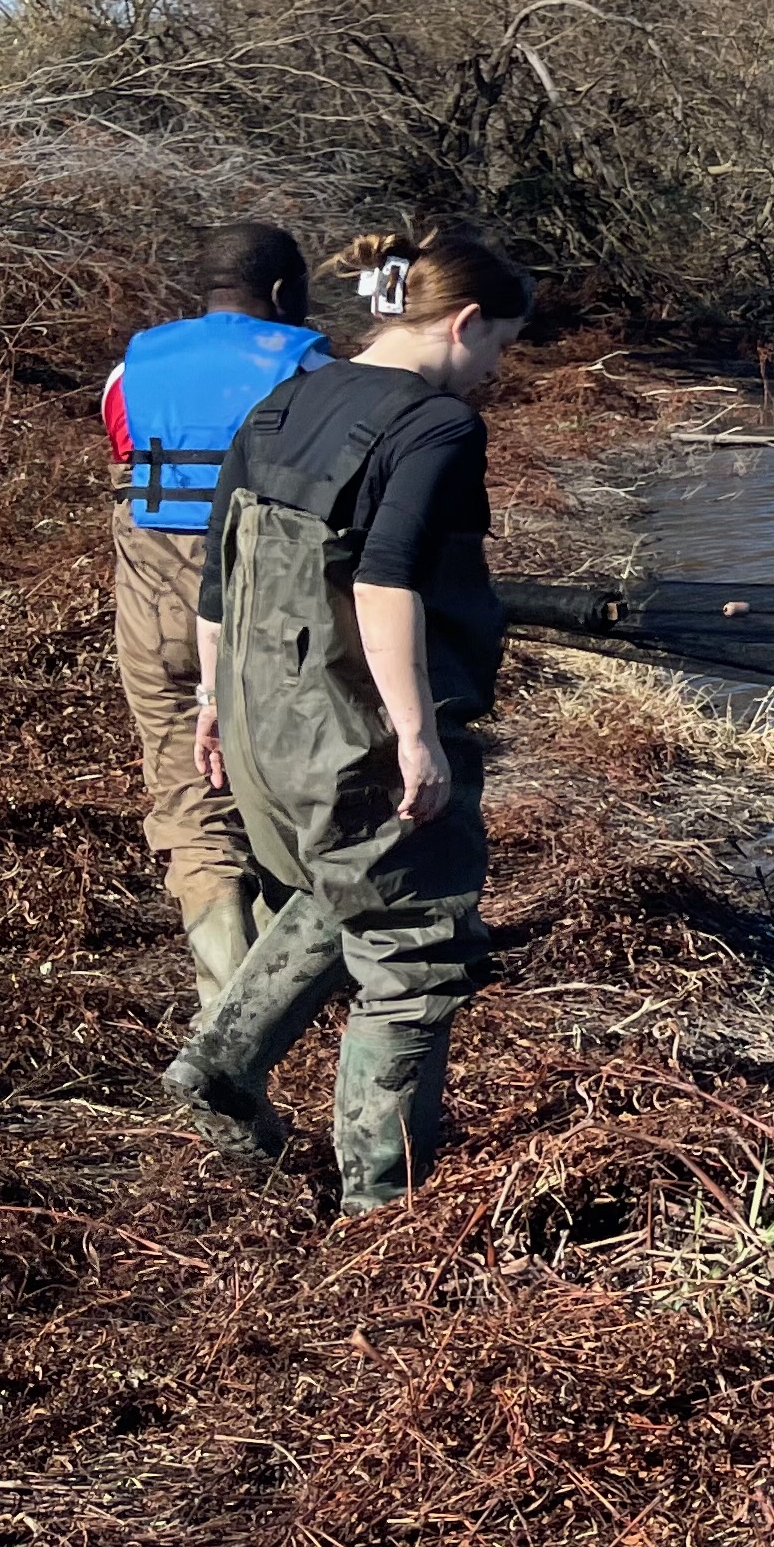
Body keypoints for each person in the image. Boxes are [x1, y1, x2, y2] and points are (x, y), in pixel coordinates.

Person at [159, 219, 532, 1212]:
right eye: (499, 342)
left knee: (337, 889)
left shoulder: (285, 402)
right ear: (461, 322)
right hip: (353, 729)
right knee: (412, 950)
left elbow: (215, 578)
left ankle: (220, 1067)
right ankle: (384, 1210)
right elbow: (386, 578)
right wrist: (415, 732)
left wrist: (209, 707)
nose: (496, 368)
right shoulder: (436, 426)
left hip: (257, 719)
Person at [102, 223, 326, 1018]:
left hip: (155, 605)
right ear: (280, 292)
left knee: (185, 795)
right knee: (283, 788)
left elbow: (129, 457)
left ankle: (221, 1001)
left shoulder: (134, 367)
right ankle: (273, 1005)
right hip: (266, 607)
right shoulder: (312, 369)